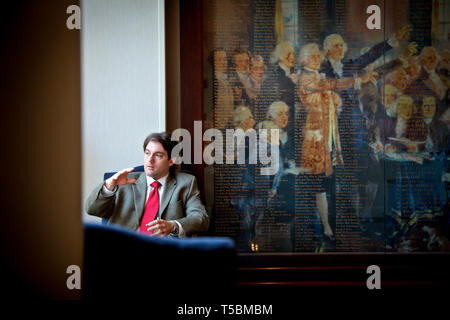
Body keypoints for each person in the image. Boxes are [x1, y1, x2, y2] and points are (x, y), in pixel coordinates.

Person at [298, 43, 376, 241]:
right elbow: (332, 86)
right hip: (315, 141)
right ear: (304, 60)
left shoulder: (319, 77)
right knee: (319, 185)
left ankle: (330, 226)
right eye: (313, 56)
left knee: (330, 183)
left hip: (329, 140)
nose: (318, 59)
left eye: (318, 56)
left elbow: (334, 98)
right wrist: (357, 80)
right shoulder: (306, 78)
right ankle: (325, 228)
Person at [85, 132, 209, 237]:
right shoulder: (123, 181)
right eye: (147, 153)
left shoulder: (186, 183)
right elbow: (92, 209)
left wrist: (172, 226)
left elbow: (201, 219)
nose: (150, 160)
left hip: (162, 250)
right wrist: (109, 186)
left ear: (171, 160)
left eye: (158, 155)